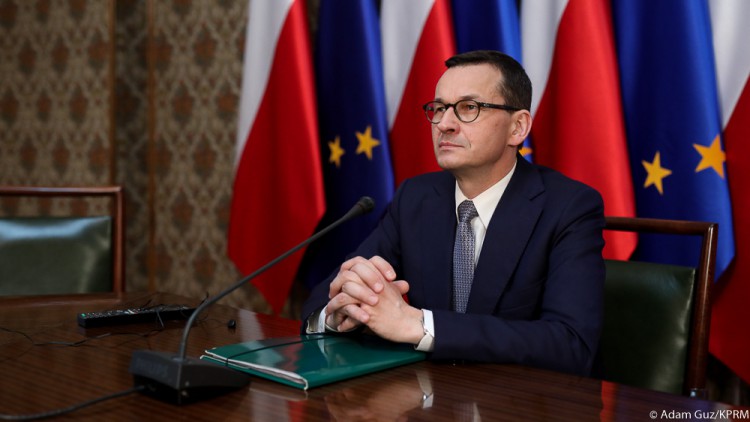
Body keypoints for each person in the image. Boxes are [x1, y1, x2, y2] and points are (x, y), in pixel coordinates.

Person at [301, 50, 605, 377]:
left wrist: (420, 325)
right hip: (423, 393)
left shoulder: (569, 207)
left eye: (468, 108)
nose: (444, 124)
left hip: (514, 398)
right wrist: (340, 312)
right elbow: (326, 297)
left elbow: (571, 345)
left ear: (517, 127)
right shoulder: (416, 198)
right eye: (439, 108)